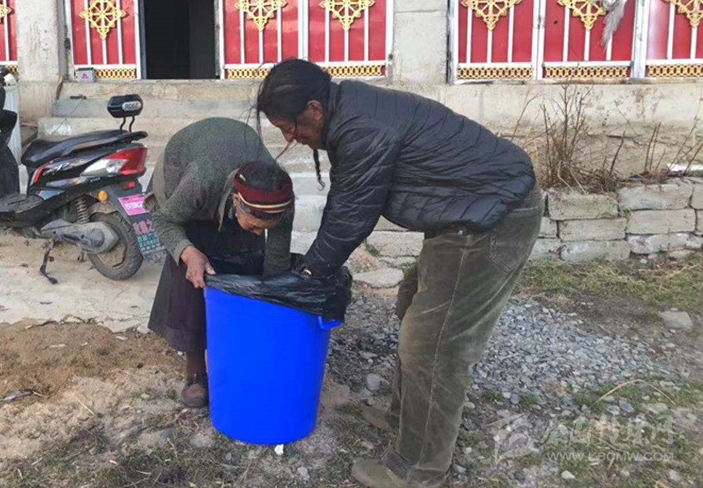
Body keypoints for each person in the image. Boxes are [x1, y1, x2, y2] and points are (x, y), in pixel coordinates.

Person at [256, 59, 541, 488]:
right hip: (466, 215)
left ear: (314, 108)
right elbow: (346, 201)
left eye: (290, 127)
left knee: (432, 344)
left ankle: (417, 468)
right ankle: (404, 418)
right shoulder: (350, 112)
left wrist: (309, 273)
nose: (289, 138)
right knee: (411, 306)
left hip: (492, 219)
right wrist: (312, 269)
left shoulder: (361, 125)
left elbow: (351, 215)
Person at [146, 117, 294, 409]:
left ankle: (239, 349)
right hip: (179, 182)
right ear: (236, 202)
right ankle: (195, 372)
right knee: (193, 276)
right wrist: (188, 252)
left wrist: (272, 308)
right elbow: (164, 221)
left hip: (227, 169)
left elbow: (276, 264)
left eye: (265, 228)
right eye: (254, 226)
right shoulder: (200, 181)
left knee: (250, 259)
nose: (259, 233)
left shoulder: (279, 199)